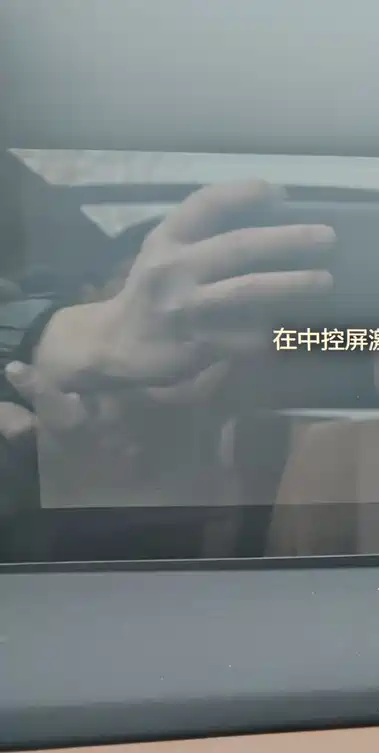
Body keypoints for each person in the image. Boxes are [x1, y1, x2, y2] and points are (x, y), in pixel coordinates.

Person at [0, 180, 337, 528]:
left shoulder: (300, 459)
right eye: (134, 286)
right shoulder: (23, 432)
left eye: (216, 293)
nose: (182, 308)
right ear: (90, 298)